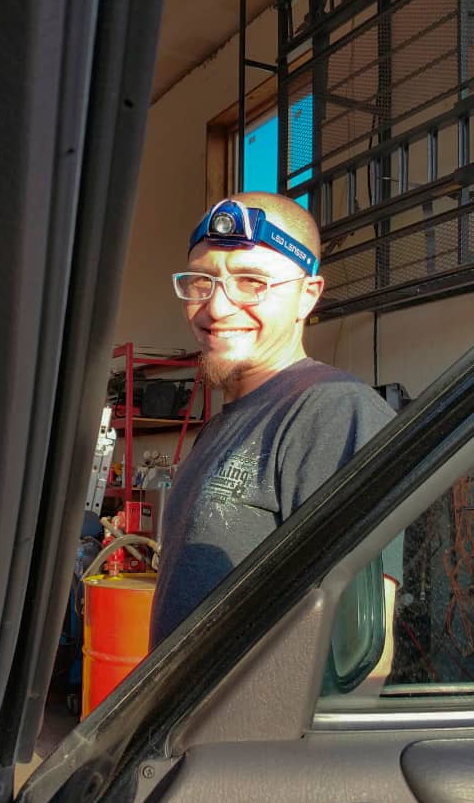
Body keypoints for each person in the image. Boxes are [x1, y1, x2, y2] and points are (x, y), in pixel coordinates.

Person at [149, 191, 398, 650]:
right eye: (202, 281)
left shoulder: (335, 412)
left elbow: (361, 655)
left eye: (251, 281)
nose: (216, 308)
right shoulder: (221, 428)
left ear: (308, 295)